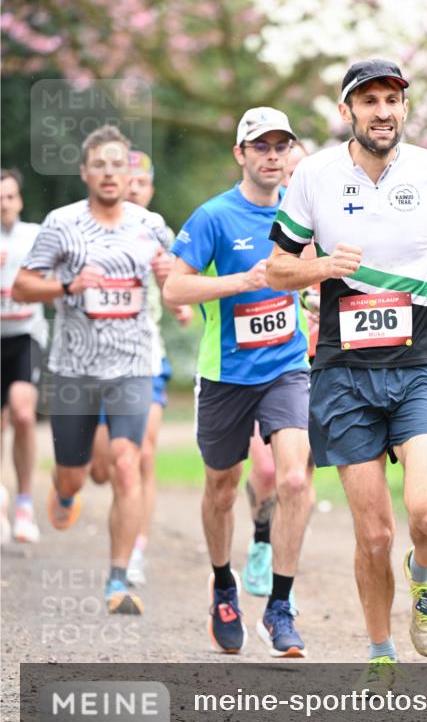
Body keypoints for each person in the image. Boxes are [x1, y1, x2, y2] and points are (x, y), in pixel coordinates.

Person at [266, 59, 427, 672]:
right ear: (347, 111)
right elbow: (277, 269)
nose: (382, 112)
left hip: (417, 366)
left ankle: (423, 573)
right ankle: (381, 652)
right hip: (343, 374)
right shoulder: (314, 175)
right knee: (375, 533)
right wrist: (322, 266)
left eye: (391, 100)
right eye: (369, 101)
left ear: (403, 109)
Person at [164, 107, 312, 658]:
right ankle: (224, 587)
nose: (272, 156)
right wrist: (238, 282)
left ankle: (280, 606)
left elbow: (314, 273)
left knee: (293, 480)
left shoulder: (301, 215)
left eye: (280, 146)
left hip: (287, 366)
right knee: (222, 486)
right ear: (240, 154)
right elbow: (174, 290)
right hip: (225, 374)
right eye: (260, 146)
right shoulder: (213, 217)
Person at [12, 126, 172, 615]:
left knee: (126, 462)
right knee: (73, 476)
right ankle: (63, 491)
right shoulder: (62, 224)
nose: (108, 173)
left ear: (128, 173)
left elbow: (176, 279)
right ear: (85, 172)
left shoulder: (151, 225)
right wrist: (68, 287)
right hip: (74, 370)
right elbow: (22, 286)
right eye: (99, 164)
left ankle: (119, 579)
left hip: (133, 365)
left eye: (117, 164)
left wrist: (170, 278)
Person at [89, 150, 193, 586]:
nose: (133, 188)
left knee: (140, 455)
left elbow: (175, 283)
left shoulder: (157, 231)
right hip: (96, 362)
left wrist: (180, 304)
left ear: (150, 189)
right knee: (101, 467)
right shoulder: (91, 227)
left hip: (146, 358)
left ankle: (135, 548)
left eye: (141, 182)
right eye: (127, 180)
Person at [241, 139, 316, 599]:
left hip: (321, 364)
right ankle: (260, 539)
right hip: (266, 365)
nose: (292, 180)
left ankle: (285, 571)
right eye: (288, 172)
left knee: (298, 478)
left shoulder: (327, 227)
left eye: (301, 174)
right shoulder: (256, 225)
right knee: (267, 471)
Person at [0, 168, 48, 544]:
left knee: (23, 413)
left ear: (20, 200)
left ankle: (25, 503)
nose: (4, 204)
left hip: (26, 336)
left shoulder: (35, 236)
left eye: (10, 196)